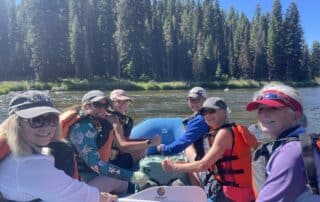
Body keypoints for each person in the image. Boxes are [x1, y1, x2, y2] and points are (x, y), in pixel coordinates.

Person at [0, 90, 116, 202]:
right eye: (36, 120)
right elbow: (82, 197)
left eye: (51, 119)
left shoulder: (15, 154)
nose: (46, 127)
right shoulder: (30, 165)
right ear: (16, 125)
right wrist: (105, 198)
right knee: (118, 181)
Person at [162, 97, 258, 202]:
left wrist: (174, 167)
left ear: (225, 112)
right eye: (204, 112)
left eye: (212, 111)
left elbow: (203, 165)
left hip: (229, 195)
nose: (207, 116)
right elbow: (258, 147)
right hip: (244, 193)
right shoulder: (236, 128)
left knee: (191, 161)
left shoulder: (224, 133)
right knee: (192, 165)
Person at [246, 82, 320, 201]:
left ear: (296, 114)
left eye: (273, 108)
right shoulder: (305, 142)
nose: (264, 114)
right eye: (260, 109)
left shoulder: (291, 152)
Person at [66, 90, 148, 195]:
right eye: (97, 105)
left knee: (120, 178)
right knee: (118, 181)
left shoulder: (94, 123)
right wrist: (132, 176)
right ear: (86, 107)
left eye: (105, 105)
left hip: (89, 176)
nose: (103, 109)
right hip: (79, 185)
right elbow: (97, 165)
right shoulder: (82, 128)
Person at [108, 89, 161, 167]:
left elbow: (125, 141)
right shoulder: (111, 118)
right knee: (143, 146)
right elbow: (123, 147)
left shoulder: (127, 121)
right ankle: (131, 171)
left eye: (125, 101)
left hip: (115, 153)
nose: (122, 104)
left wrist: (144, 142)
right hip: (107, 159)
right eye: (118, 101)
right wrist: (150, 142)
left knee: (143, 144)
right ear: (111, 104)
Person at [156, 87, 210, 161]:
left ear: (205, 101)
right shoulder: (202, 115)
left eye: (197, 100)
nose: (193, 103)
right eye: (190, 100)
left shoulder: (202, 120)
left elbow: (185, 141)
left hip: (205, 161)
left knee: (187, 147)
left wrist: (165, 149)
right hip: (205, 154)